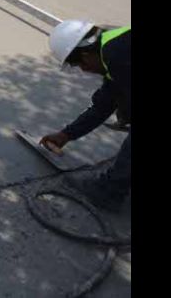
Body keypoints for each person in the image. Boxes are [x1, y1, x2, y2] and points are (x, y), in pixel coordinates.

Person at [41, 21, 131, 212]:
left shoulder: (117, 55)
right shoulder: (113, 47)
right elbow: (104, 104)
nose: (84, 70)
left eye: (80, 65)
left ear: (85, 54)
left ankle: (108, 192)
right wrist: (66, 134)